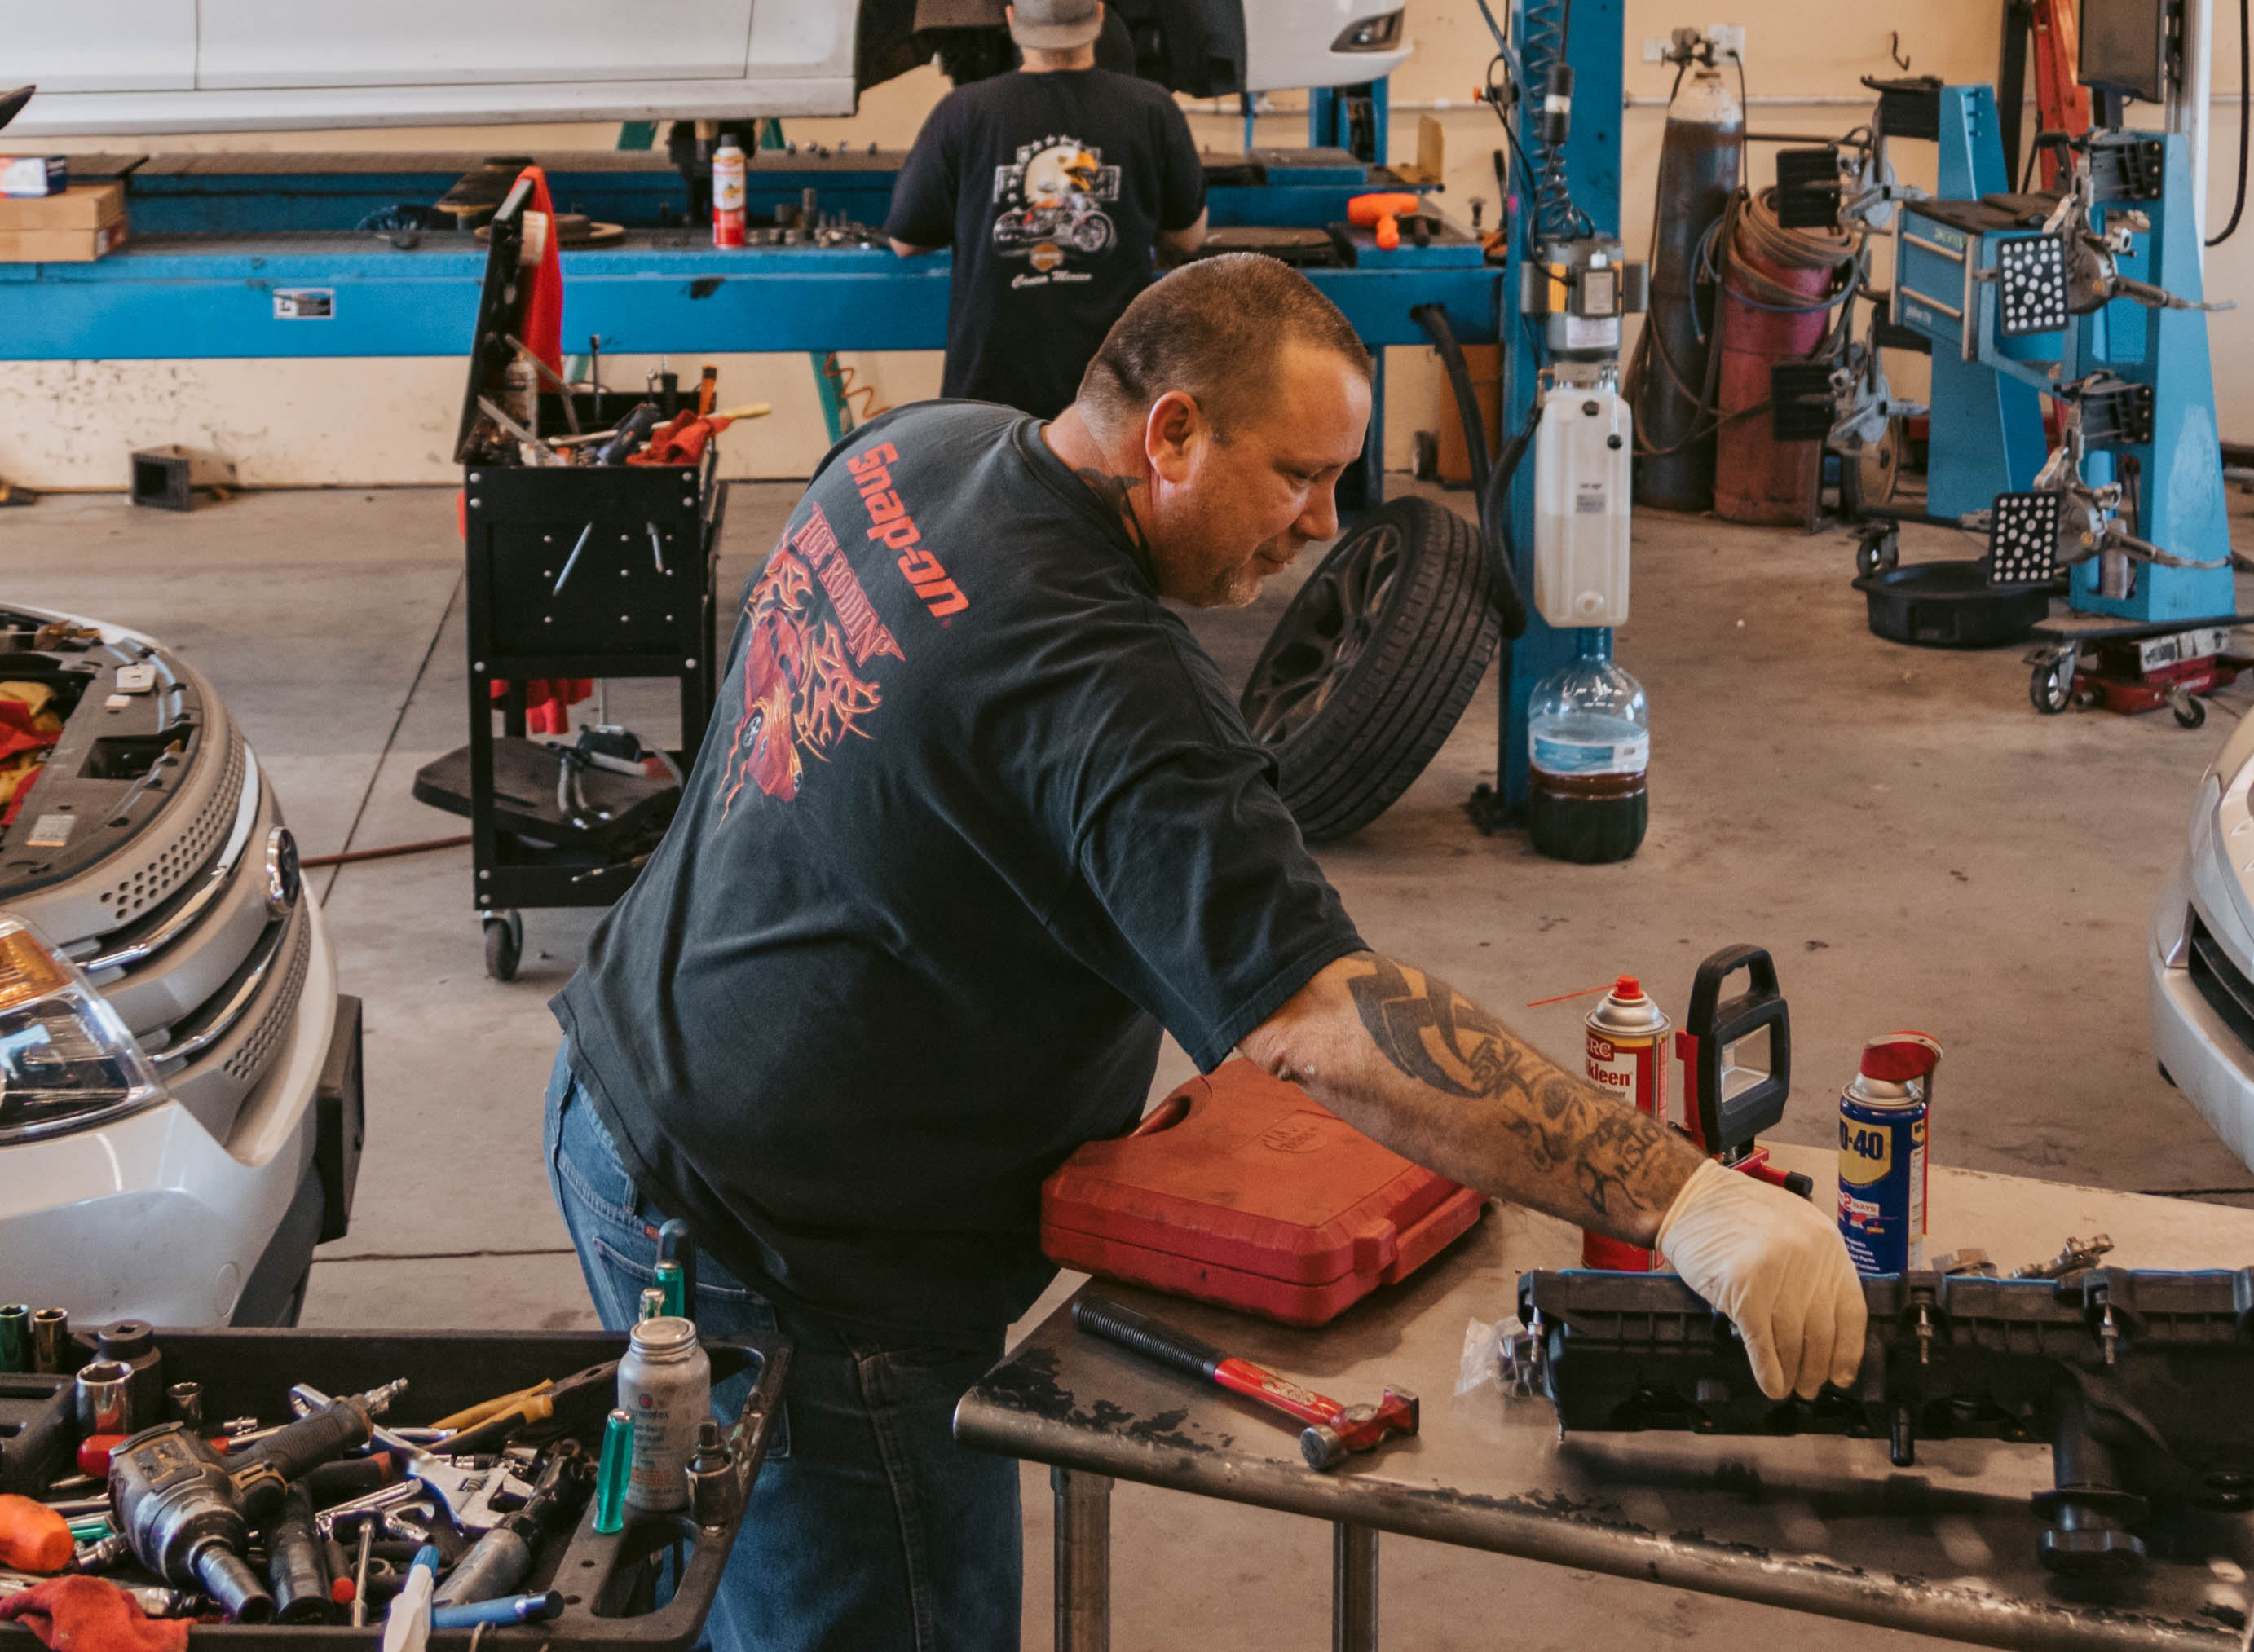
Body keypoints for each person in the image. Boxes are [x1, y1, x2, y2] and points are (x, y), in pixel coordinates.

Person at [550, 256, 1862, 1652]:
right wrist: (1681, 1196)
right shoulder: (1110, 693)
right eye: (1298, 473)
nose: (1323, 522)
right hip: (795, 1256)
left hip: (614, 1098)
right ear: (1169, 432)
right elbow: (1319, 1018)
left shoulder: (917, 449)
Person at [880, 0, 1211, 417]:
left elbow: (905, 242)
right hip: (1111, 398)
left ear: (1012, 19)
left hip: (987, 405)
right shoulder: (1151, 109)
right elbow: (1188, 236)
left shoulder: (964, 113)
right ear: (1098, 17)